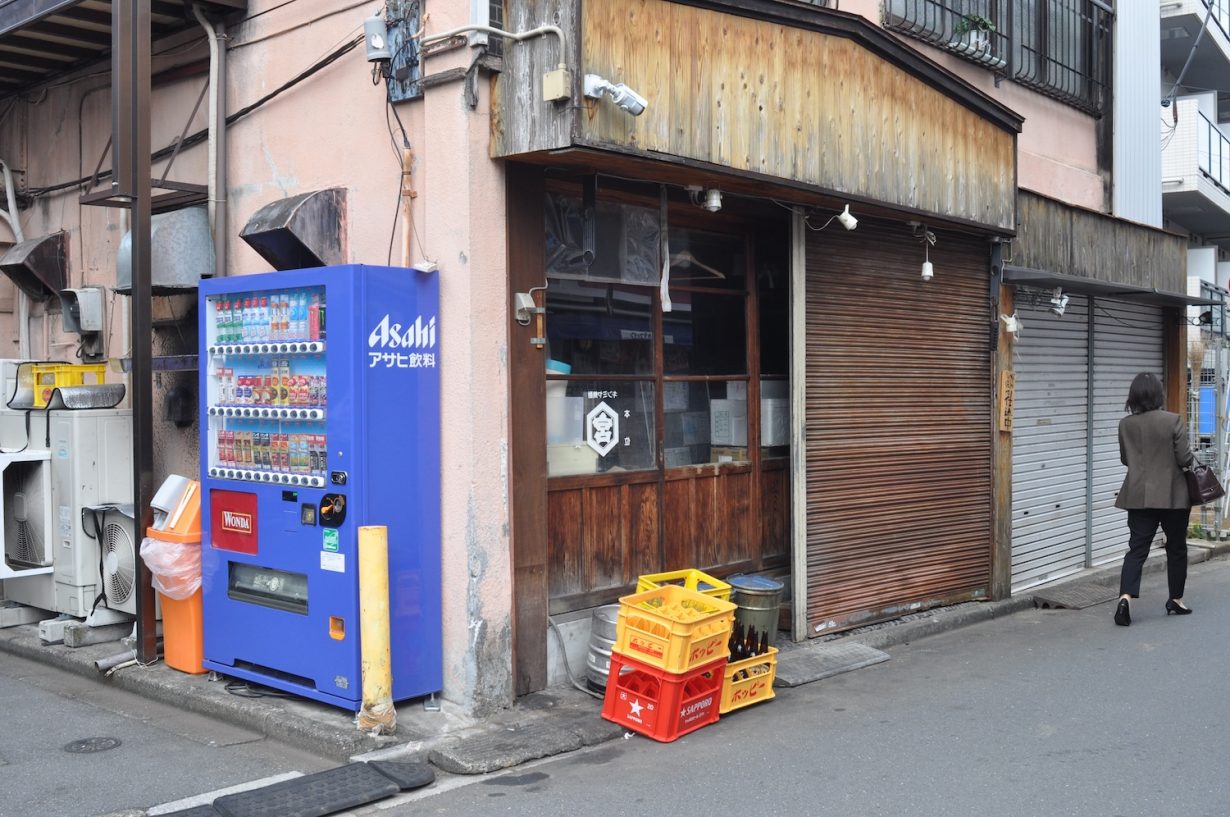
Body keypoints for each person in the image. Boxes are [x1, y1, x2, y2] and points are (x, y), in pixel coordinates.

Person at [1113, 371, 1195, 626]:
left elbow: (1126, 460)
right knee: (1177, 548)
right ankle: (1176, 600)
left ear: (1134, 396)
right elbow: (1184, 459)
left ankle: (1125, 599)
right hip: (1173, 496)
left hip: (1138, 495)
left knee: (1136, 549)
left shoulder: (1125, 424)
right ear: (1158, 394)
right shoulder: (1173, 421)